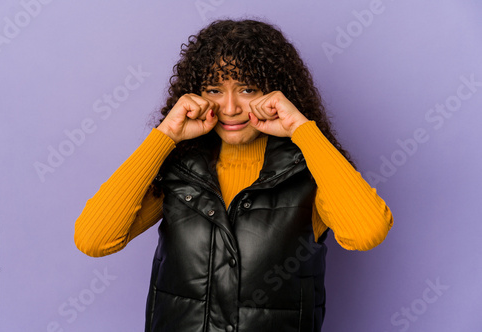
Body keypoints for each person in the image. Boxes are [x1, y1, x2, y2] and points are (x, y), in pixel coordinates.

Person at [75, 19, 393, 332]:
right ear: (196, 94)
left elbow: (366, 231)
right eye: (214, 89)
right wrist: (165, 136)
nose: (229, 108)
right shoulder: (179, 169)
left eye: (246, 88)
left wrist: (301, 128)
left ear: (275, 92)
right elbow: (94, 239)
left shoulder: (311, 170)